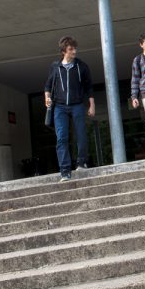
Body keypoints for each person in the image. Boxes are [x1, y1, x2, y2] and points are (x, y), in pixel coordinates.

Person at [44, 36, 95, 181]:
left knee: (81, 135)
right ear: (63, 51)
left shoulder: (82, 66)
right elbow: (48, 86)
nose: (74, 51)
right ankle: (65, 170)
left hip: (77, 105)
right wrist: (47, 98)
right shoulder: (55, 67)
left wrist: (92, 105)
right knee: (62, 138)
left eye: (74, 48)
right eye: (71, 49)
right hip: (59, 107)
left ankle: (82, 162)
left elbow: (88, 87)